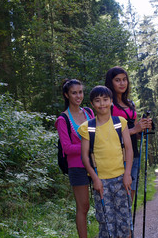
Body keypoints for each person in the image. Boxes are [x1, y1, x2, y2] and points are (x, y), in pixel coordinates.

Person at [78, 85, 133, 238]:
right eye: (97, 101)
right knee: (105, 221)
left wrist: (127, 174)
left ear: (111, 102)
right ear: (92, 105)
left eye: (105, 100)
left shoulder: (120, 122)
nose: (102, 104)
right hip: (101, 182)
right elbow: (85, 156)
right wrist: (95, 179)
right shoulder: (87, 128)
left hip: (121, 179)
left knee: (124, 219)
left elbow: (129, 149)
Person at [105, 66, 152, 201]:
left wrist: (143, 129)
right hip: (117, 156)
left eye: (124, 79)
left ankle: (128, 223)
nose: (122, 83)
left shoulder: (130, 104)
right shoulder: (108, 105)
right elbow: (106, 135)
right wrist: (134, 130)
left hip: (133, 153)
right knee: (120, 196)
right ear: (110, 82)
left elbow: (134, 134)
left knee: (130, 195)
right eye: (118, 80)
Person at [55, 79, 94, 238]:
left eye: (80, 92)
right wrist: (88, 146)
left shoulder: (89, 113)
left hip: (95, 164)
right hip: (76, 166)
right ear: (66, 95)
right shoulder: (62, 119)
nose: (78, 96)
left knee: (100, 202)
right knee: (83, 206)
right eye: (74, 93)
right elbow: (67, 148)